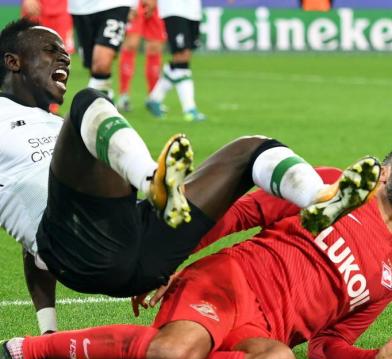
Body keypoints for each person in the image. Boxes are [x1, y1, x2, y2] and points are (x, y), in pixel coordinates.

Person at [0, 19, 378, 334]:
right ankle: (155, 185)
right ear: (13, 61)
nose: (65, 55)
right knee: (89, 102)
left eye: (65, 51)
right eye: (51, 49)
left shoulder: (57, 128)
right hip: (76, 250)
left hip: (139, 250)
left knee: (251, 149)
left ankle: (320, 200)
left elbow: (36, 225)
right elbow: (38, 230)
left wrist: (47, 328)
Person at [0, 161, 389, 359]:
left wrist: (370, 358)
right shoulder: (331, 186)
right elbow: (240, 214)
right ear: (385, 172)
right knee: (176, 353)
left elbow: (327, 345)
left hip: (265, 334)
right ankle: (24, 350)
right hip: (229, 281)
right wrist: (167, 258)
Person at [145, 0, 205, 121]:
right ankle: (190, 109)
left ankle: (154, 99)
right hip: (174, 8)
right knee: (182, 55)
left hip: (193, 10)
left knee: (183, 58)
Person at [68, 0, 136, 99]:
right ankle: (105, 102)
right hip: (80, 8)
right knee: (94, 68)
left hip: (116, 5)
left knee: (101, 64)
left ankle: (86, 104)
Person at [117, 0, 166, 112]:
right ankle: (124, 95)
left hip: (158, 4)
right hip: (136, 3)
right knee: (131, 45)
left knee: (155, 47)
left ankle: (153, 97)